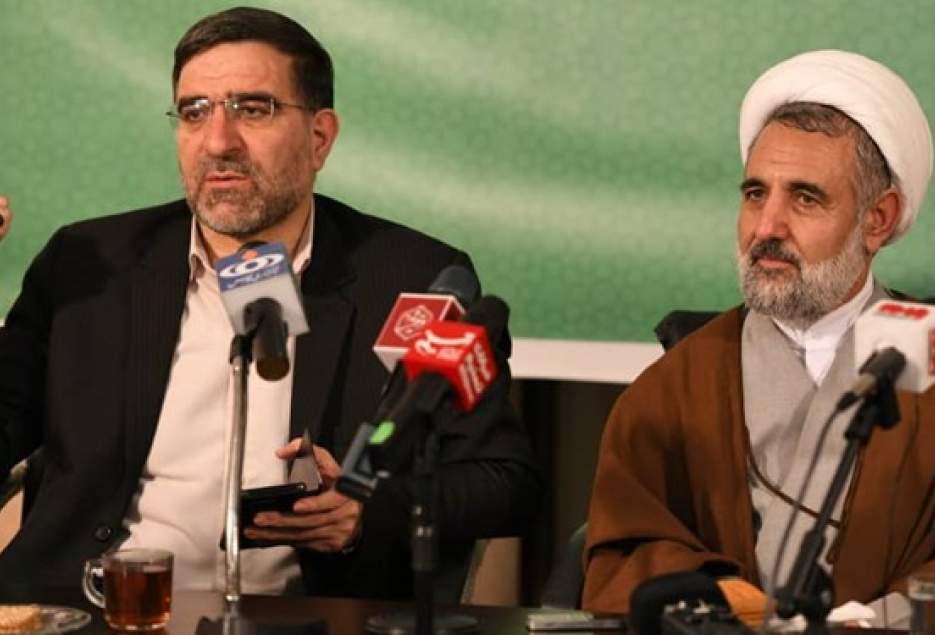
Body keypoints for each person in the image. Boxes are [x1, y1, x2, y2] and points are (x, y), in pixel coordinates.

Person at [0, 7, 541, 599]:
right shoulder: (87, 265)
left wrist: (367, 510)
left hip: (300, 617)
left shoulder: (411, 279)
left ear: (319, 137)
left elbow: (505, 482)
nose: (218, 142)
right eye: (194, 111)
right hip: (87, 611)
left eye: (253, 109)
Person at [583, 49, 935, 623]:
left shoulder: (928, 367)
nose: (766, 227)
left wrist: (876, 621)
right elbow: (627, 552)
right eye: (754, 194)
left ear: (878, 219)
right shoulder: (673, 387)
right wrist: (731, 606)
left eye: (805, 198)